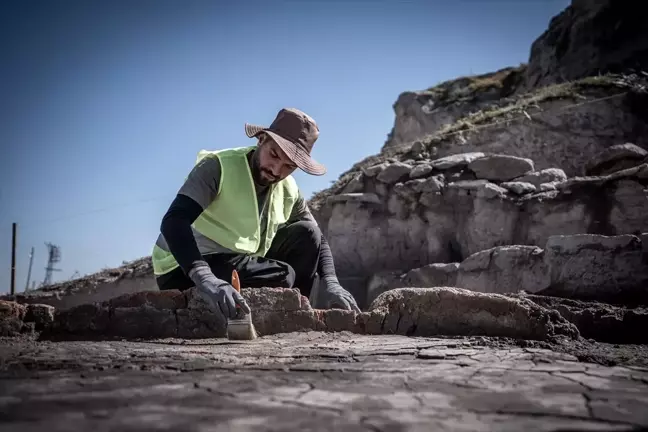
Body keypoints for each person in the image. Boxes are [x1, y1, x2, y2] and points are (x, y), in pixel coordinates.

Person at [151, 107, 360, 320]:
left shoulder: (288, 188)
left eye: (289, 166)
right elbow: (174, 221)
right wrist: (205, 278)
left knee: (308, 233)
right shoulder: (218, 167)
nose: (277, 170)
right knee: (282, 277)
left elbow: (318, 239)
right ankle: (272, 314)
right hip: (183, 267)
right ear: (261, 139)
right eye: (274, 155)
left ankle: (295, 317)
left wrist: (332, 283)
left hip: (236, 262)